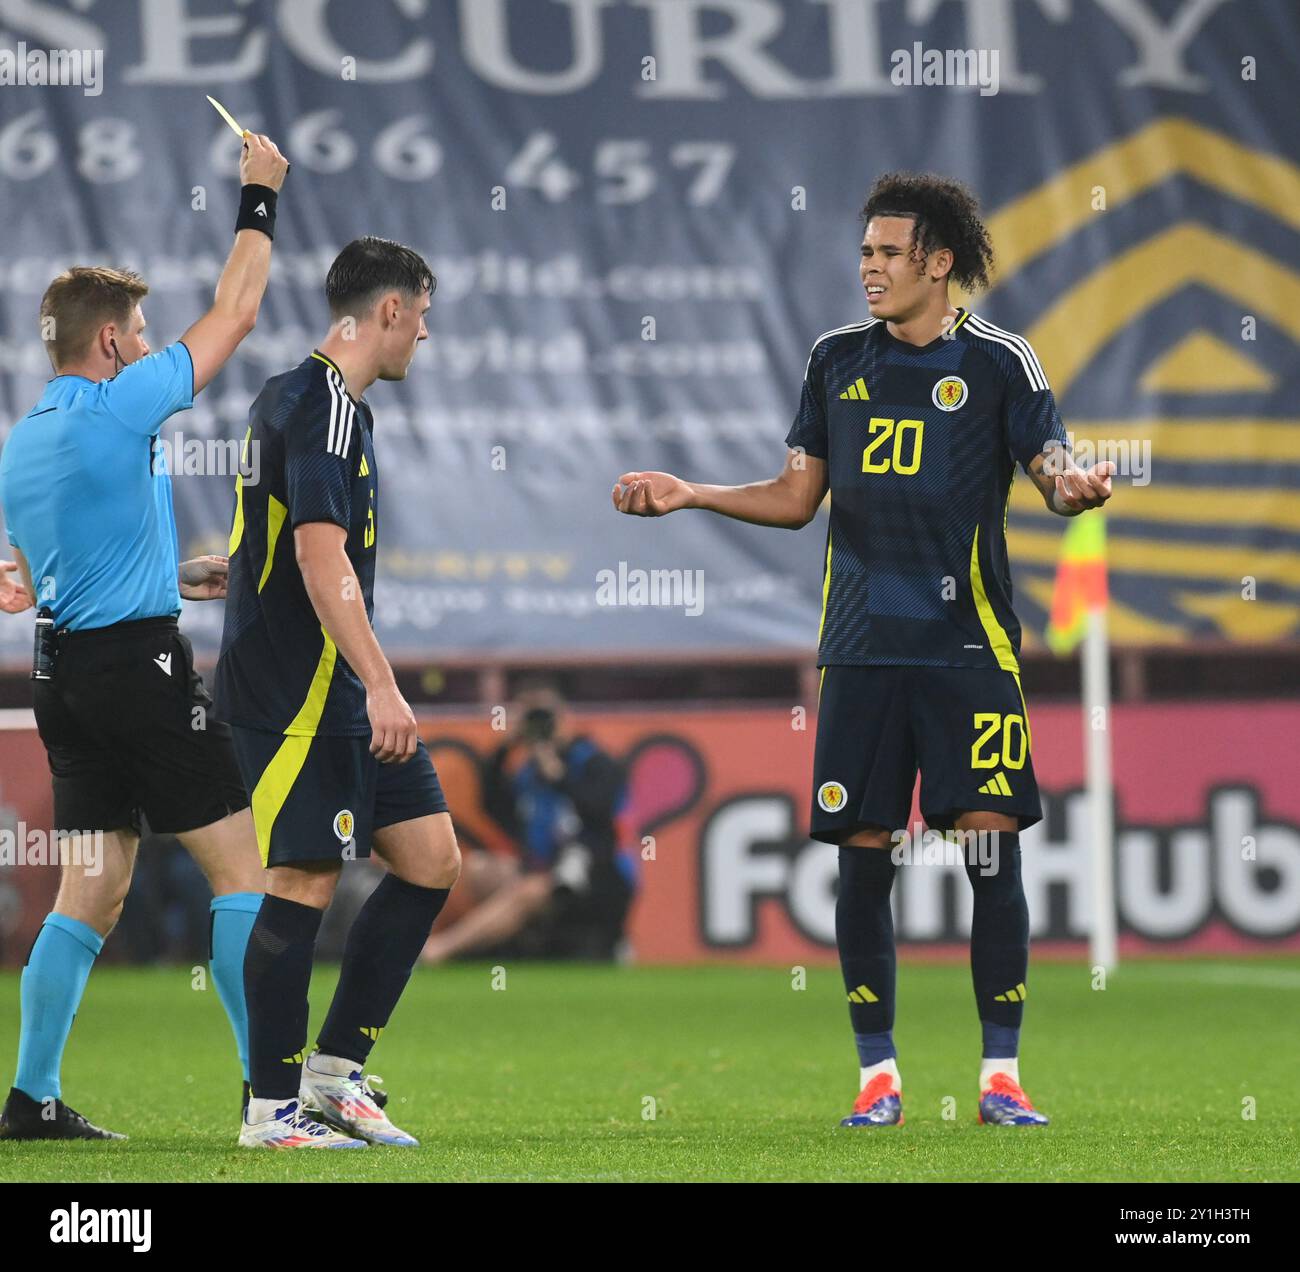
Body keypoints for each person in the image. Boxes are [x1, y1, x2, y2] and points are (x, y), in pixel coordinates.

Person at [612, 172, 1114, 1129]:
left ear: (939, 262)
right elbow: (799, 498)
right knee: (863, 854)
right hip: (860, 649)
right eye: (866, 254)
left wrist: (1073, 482)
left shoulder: (1004, 362)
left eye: (888, 254)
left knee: (993, 855)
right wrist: (690, 492)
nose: (870, 270)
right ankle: (877, 1077)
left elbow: (1049, 464)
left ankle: (1000, 1077)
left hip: (969, 648)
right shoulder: (835, 359)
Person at [0, 134, 289, 1141]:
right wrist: (258, 199)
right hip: (139, 669)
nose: (149, 337)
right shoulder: (123, 406)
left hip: (62, 675)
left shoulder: (24, 437)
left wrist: (169, 579)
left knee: (94, 884)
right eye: (141, 326)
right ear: (115, 343)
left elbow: (44, 582)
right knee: (240, 870)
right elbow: (238, 313)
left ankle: (30, 1100)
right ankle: (272, 1099)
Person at [213, 236, 461, 1149]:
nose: (424, 335)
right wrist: (384, 684)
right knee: (302, 878)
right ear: (389, 310)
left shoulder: (291, 396)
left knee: (431, 858)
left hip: (329, 685)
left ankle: (334, 1075)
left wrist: (227, 571)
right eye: (423, 315)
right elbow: (323, 565)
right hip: (297, 691)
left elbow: (274, 539)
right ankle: (271, 1113)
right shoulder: (322, 409)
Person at [420, 682, 634, 964]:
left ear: (564, 715)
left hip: (595, 876)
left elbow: (600, 812)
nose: (540, 723)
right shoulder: (528, 772)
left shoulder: (592, 761)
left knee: (529, 890)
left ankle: (438, 952)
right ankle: (492, 945)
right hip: (541, 868)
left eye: (544, 714)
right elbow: (493, 804)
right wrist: (508, 745)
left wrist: (559, 777)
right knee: (479, 868)